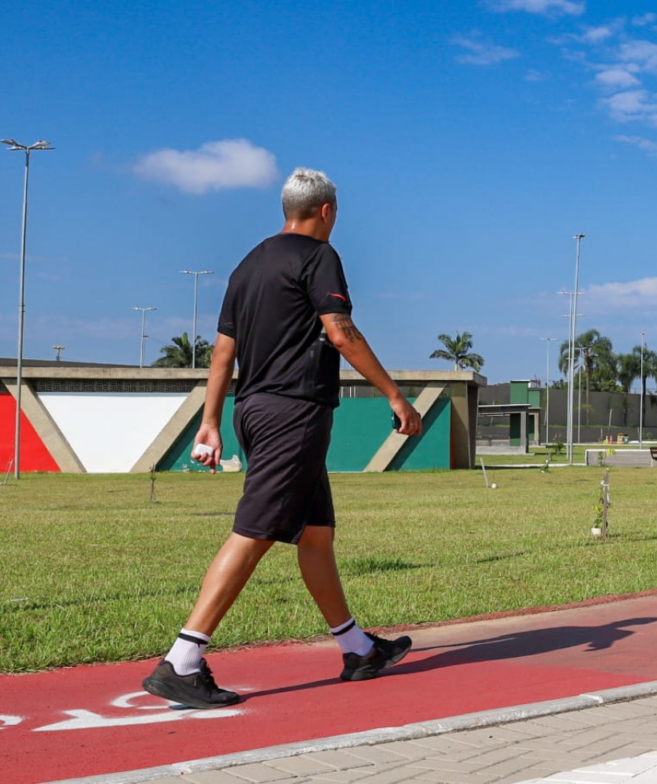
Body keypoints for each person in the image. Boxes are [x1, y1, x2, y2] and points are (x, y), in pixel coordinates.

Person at [142, 168, 423, 709]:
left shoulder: (248, 264)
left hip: (255, 409)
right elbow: (340, 331)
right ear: (326, 212)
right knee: (255, 531)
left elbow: (224, 353)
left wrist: (210, 421)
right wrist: (394, 394)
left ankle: (357, 648)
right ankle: (182, 660)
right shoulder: (319, 256)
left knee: (315, 533)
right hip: (293, 413)